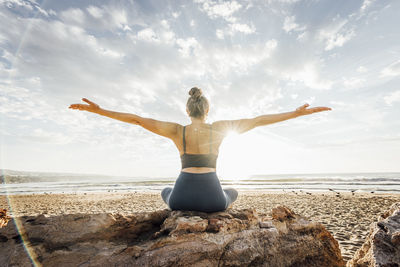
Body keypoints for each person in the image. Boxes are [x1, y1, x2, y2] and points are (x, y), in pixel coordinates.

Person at [69, 87, 331, 212]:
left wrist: (99, 111)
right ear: (207, 110)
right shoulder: (219, 128)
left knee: (165, 191)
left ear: (187, 110)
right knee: (233, 191)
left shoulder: (176, 130)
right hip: (213, 200)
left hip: (180, 199)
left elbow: (136, 119)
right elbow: (260, 120)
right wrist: (296, 114)